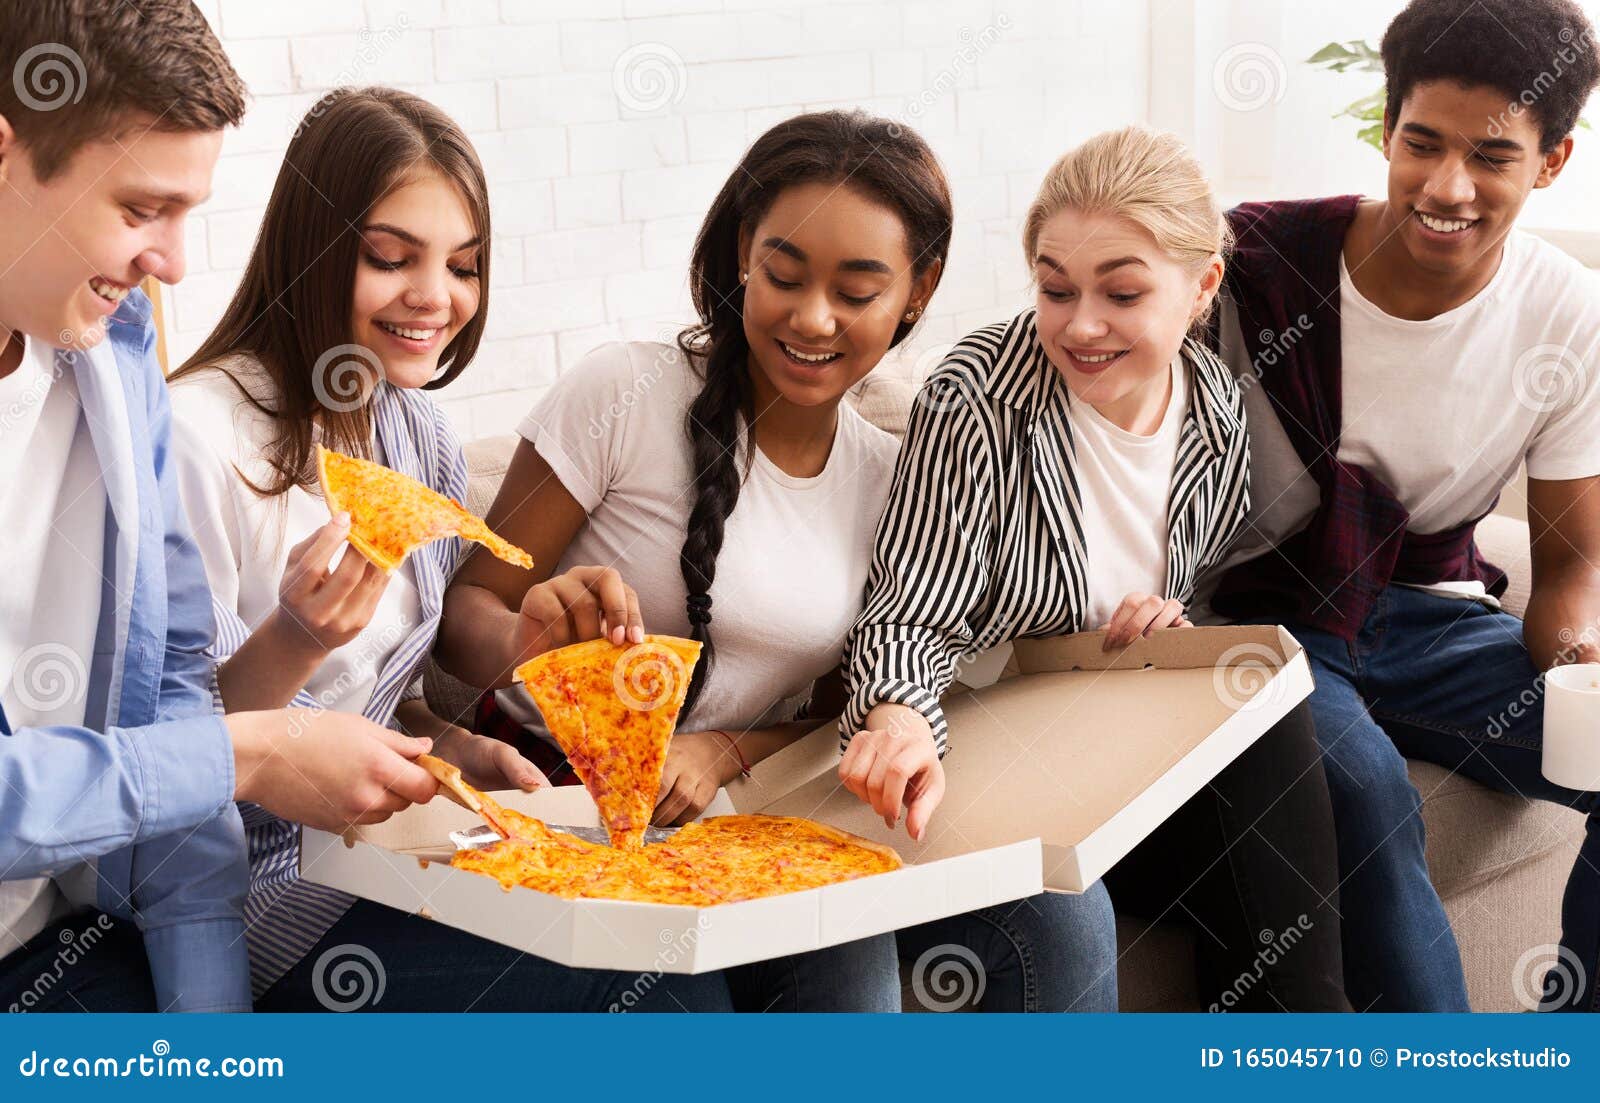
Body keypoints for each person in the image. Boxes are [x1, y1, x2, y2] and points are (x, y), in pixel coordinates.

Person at [170, 88, 731, 1012]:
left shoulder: (413, 430)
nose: (437, 298)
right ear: (310, 249)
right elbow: (173, 753)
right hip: (267, 893)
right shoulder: (196, 438)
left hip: (402, 848)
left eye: (463, 266)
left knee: (674, 945)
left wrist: (461, 735)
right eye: (391, 258)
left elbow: (385, 699)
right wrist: (297, 637)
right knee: (656, 995)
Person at [436, 111, 955, 1012]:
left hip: (746, 815)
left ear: (919, 290)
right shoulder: (621, 394)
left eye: (858, 291)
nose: (812, 318)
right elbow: (460, 620)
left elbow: (857, 701)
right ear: (742, 254)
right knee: (679, 1005)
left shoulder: (895, 478)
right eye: (784, 275)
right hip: (550, 802)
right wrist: (529, 633)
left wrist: (724, 750)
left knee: (852, 957)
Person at [840, 127, 1348, 1012]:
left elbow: (1179, 591)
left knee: (1276, 739)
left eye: (1121, 292)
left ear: (1202, 288)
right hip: (988, 757)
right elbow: (906, 618)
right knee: (1272, 836)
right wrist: (899, 721)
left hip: (1116, 754)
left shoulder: (1217, 412)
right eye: (1054, 288)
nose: (1080, 325)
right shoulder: (980, 397)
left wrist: (1160, 628)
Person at [0, 1, 441, 1015]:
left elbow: (171, 701)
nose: (174, 261)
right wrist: (255, 752)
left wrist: (211, 1038)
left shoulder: (113, 362)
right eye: (140, 208)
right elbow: (209, 750)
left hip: (64, 947)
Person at [1198, 0, 1600, 1012]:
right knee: (1361, 792)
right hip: (1255, 624)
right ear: (1386, 128)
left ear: (1549, 164)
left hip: (1421, 615)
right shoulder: (1250, 268)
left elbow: (1570, 569)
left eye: (1491, 157)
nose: (1445, 187)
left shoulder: (1566, 313)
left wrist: (1581, 663)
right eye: (1419, 143)